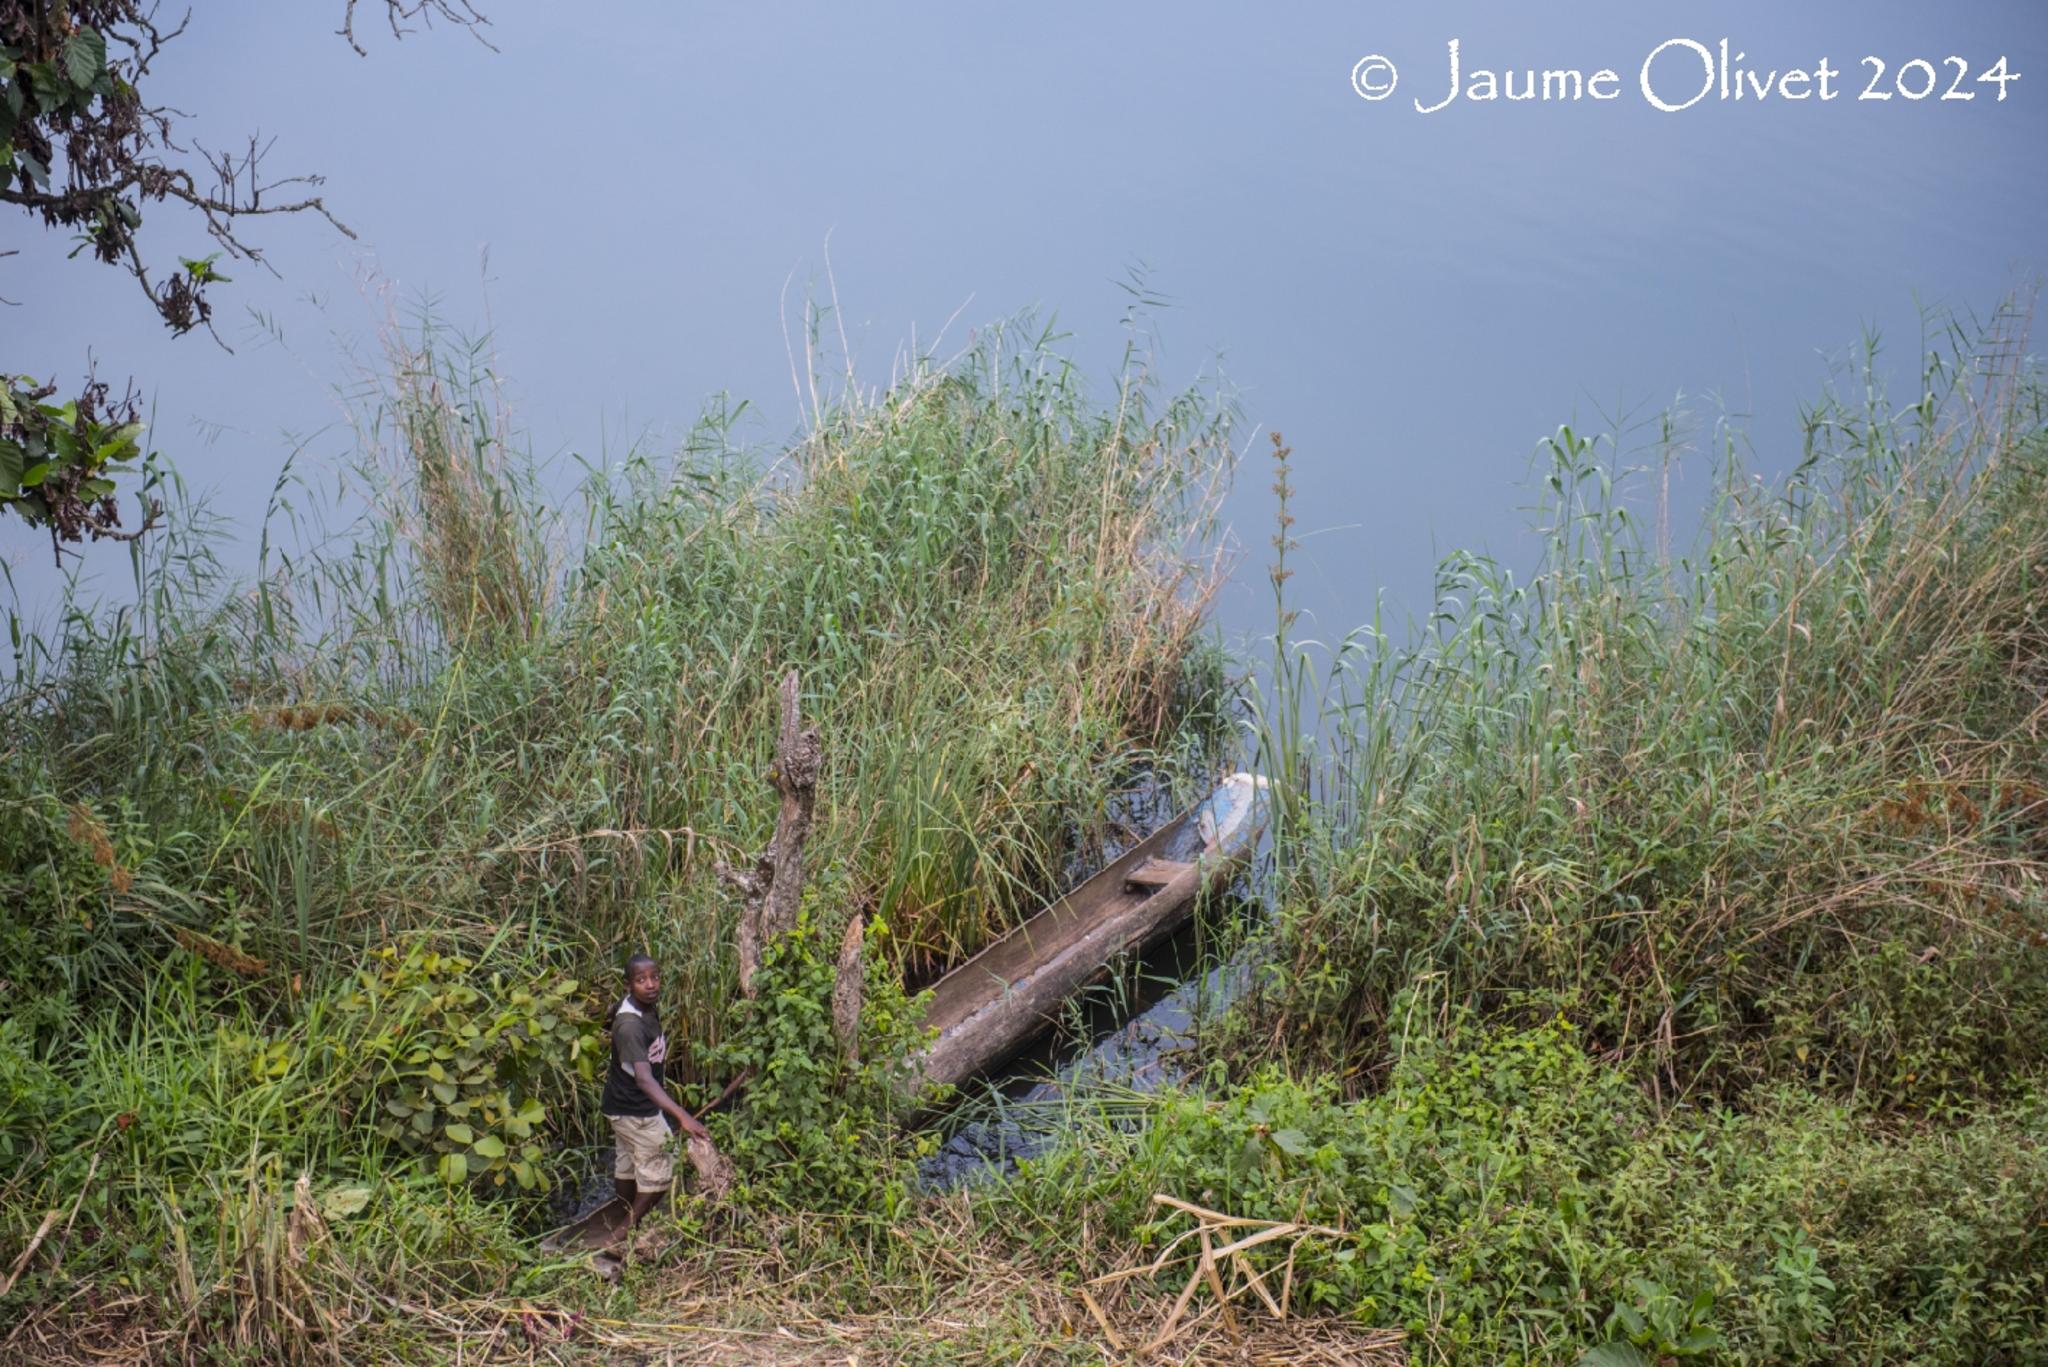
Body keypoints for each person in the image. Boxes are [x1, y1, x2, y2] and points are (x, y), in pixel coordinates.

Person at [601, 953, 708, 1235]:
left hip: (619, 1106)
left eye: (655, 977)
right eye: (641, 980)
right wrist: (683, 1117)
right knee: (661, 1174)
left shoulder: (637, 1006)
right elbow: (645, 1081)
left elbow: (609, 1014)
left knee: (627, 1164)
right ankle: (620, 1234)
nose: (651, 985)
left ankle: (621, 1213)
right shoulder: (630, 1026)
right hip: (638, 1111)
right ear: (628, 985)